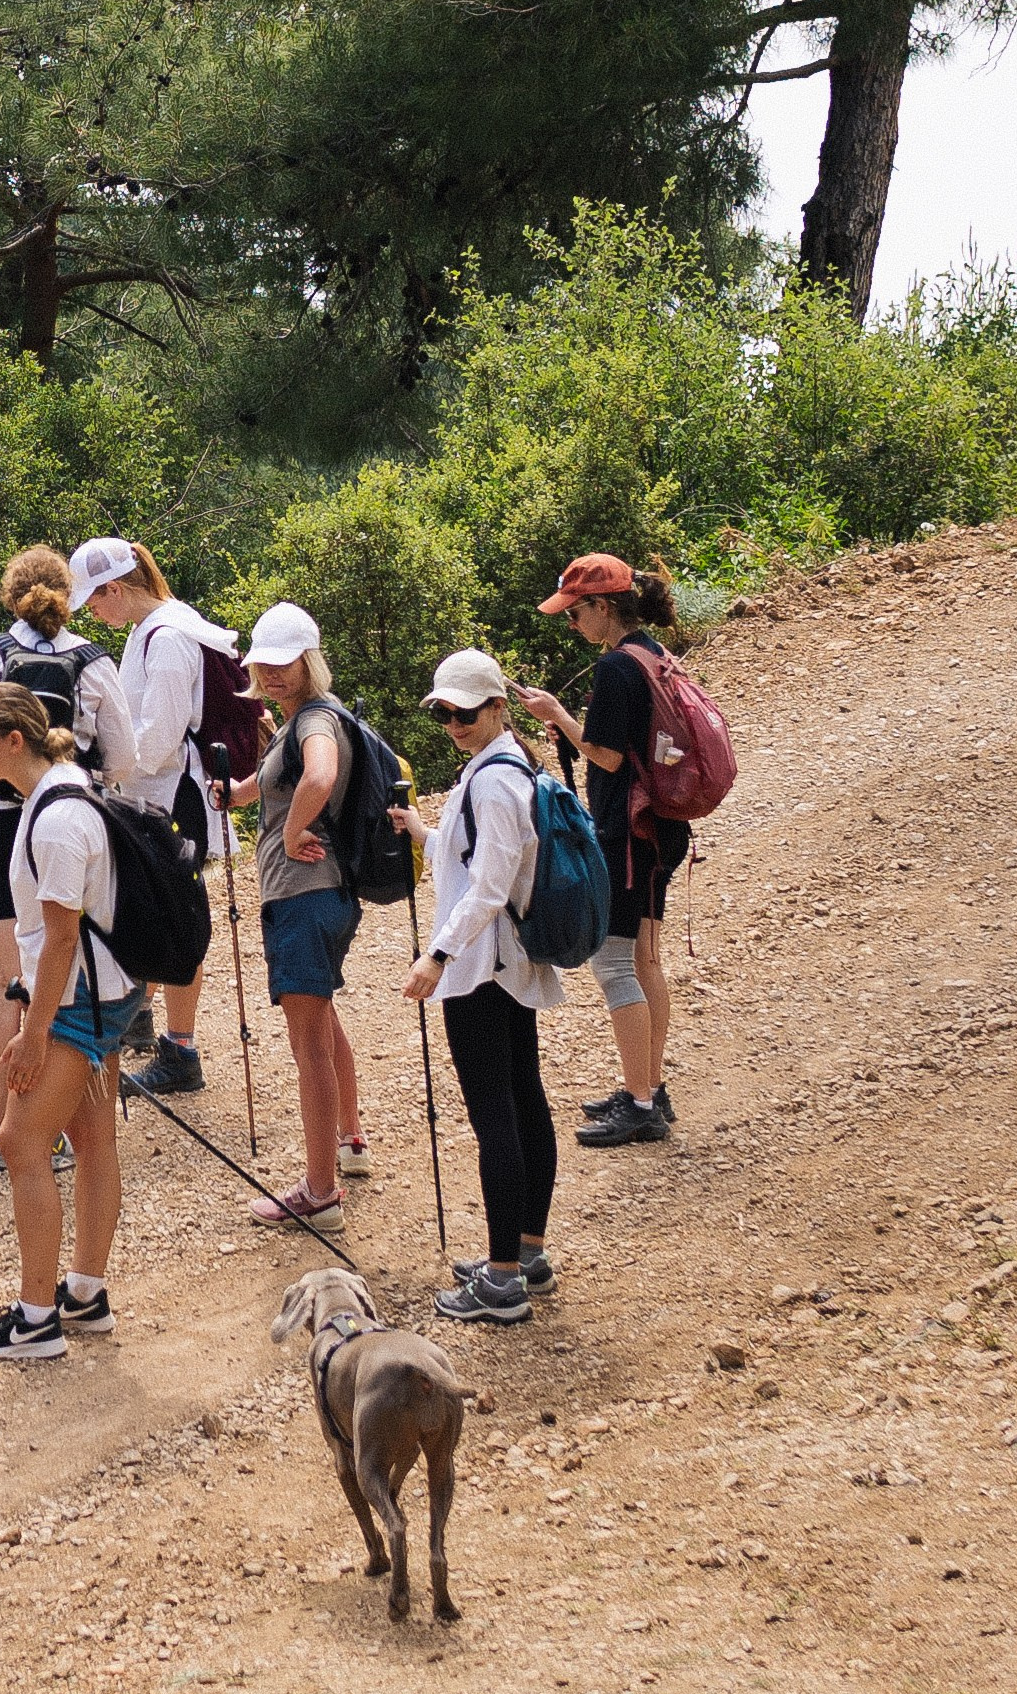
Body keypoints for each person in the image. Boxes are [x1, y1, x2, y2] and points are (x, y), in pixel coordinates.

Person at [0, 545, 138, 1172]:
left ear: (9, 595)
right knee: (61, 962)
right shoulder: (95, 660)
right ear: (70, 596)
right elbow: (124, 757)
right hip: (63, 821)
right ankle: (56, 1124)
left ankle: (1, 1130)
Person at [0, 683, 129, 1360]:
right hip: (105, 993)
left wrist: (33, 1030)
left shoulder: (52, 819)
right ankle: (84, 1293)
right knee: (92, 1141)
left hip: (77, 1001)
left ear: (13, 741)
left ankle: (35, 1320)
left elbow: (57, 938)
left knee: (21, 1143)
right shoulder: (68, 787)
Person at [392, 649, 564, 1324]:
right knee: (523, 1101)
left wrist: (436, 956)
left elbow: (488, 887)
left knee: (497, 1117)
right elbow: (477, 862)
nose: (454, 724)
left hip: (479, 968)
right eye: (445, 713)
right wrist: (424, 832)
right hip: (509, 962)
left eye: (465, 712)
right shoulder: (508, 766)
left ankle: (500, 1282)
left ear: (497, 706)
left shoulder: (493, 781)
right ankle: (527, 1253)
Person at [516, 555, 686, 1151]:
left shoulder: (618, 668)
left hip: (630, 834)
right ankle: (649, 1089)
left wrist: (556, 716)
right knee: (644, 958)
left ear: (604, 606)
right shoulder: (654, 655)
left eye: (576, 611)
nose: (571, 624)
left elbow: (608, 757)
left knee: (615, 963)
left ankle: (640, 1105)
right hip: (660, 828)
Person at [65, 535, 241, 1098]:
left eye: (94, 601)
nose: (93, 613)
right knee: (154, 906)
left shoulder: (166, 637)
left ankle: (180, 1049)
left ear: (116, 588)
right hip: (160, 797)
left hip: (175, 797)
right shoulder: (150, 631)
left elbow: (158, 742)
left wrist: (99, 766)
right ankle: (147, 1015)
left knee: (177, 913)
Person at [241, 601, 365, 1235]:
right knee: (320, 1019)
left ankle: (319, 1190)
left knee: (306, 1045)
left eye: (284, 663)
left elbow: (319, 776)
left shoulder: (313, 721)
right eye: (265, 663)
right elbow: (280, 781)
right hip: (321, 895)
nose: (273, 674)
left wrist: (291, 832)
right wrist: (233, 791)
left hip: (303, 893)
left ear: (308, 662)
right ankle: (351, 1136)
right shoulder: (304, 720)